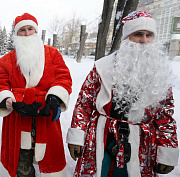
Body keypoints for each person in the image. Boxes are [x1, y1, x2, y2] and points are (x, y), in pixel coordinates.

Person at [66, 10, 179, 177]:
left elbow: (165, 115)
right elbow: (84, 103)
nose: (144, 40)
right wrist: (77, 135)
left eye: (149, 35)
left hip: (140, 143)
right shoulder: (102, 68)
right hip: (102, 138)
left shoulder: (159, 74)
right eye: (138, 34)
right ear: (127, 38)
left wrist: (167, 148)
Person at [0, 13, 72, 177]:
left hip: (45, 112)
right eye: (22, 30)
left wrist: (54, 97)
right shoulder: (7, 60)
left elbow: (63, 77)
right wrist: (9, 100)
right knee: (20, 159)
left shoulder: (53, 54)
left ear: (36, 31)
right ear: (16, 34)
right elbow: (1, 82)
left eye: (30, 29)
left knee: (50, 159)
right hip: (18, 115)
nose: (27, 34)